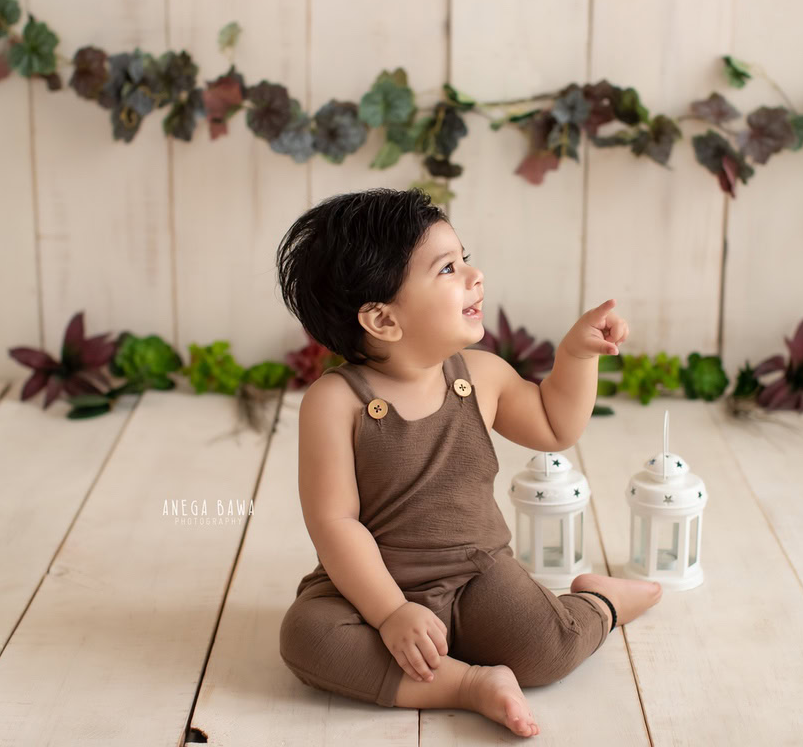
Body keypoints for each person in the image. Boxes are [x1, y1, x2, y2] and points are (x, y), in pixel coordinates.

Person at [275, 188, 662, 738]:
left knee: (546, 650)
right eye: (448, 269)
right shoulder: (336, 402)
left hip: (479, 573)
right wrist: (389, 613)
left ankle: (600, 602)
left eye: (465, 257)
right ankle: (466, 684)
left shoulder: (479, 375)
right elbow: (334, 523)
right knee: (307, 637)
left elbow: (555, 426)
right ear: (383, 319)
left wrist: (574, 357)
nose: (475, 276)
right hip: (370, 587)